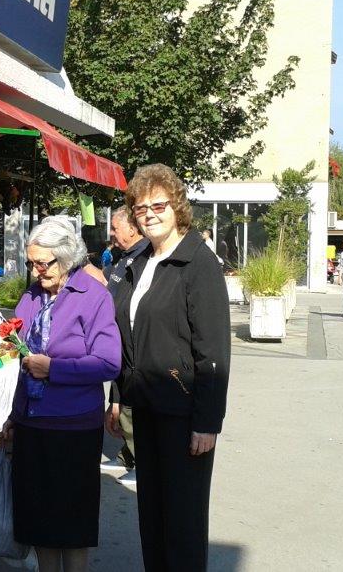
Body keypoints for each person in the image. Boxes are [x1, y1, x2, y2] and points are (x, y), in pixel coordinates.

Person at [113, 164, 230, 572]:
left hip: (183, 414)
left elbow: (213, 353)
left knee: (183, 522)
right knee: (153, 517)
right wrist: (117, 396)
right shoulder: (141, 260)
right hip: (145, 406)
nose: (149, 215)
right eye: (140, 208)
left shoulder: (198, 263)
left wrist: (207, 422)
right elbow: (126, 333)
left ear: (177, 206)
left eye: (158, 205)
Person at [0, 216, 121, 572]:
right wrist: (13, 415)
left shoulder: (94, 296)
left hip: (73, 426)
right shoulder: (31, 296)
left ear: (66, 256)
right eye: (31, 263)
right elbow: (21, 359)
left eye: (43, 263)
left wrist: (54, 368)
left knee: (71, 523)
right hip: (32, 422)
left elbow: (109, 363)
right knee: (39, 522)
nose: (36, 271)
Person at [101, 208, 149, 485]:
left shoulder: (142, 256)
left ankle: (141, 462)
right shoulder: (126, 255)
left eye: (115, 228)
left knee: (130, 403)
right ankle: (127, 455)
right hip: (118, 340)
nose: (111, 233)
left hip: (132, 345)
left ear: (132, 228)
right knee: (120, 398)